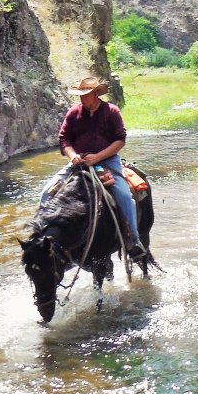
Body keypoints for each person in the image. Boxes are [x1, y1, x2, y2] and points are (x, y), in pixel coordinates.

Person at [44, 75, 145, 259]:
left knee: (124, 196)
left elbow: (120, 140)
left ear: (96, 94)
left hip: (107, 161)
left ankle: (133, 241)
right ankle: (46, 239)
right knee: (46, 192)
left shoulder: (111, 111)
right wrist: (73, 155)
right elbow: (64, 139)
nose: (82, 98)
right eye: (80, 95)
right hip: (79, 161)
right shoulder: (74, 112)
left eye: (86, 94)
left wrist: (97, 157)